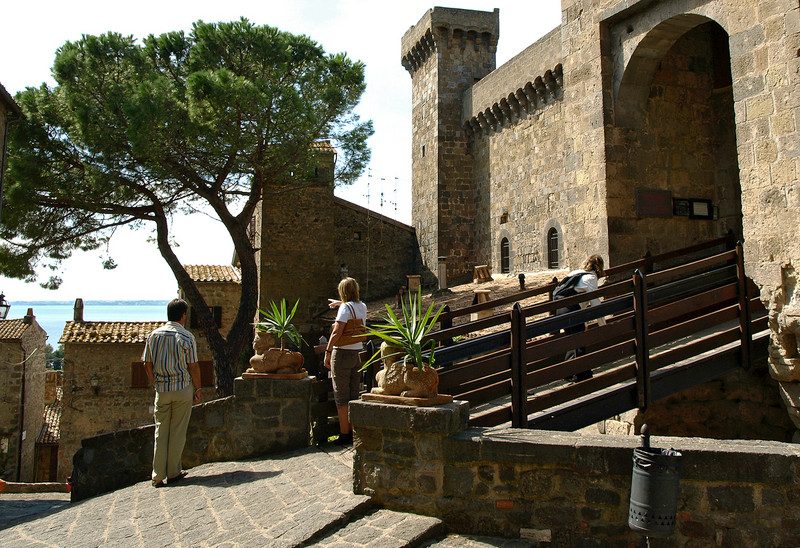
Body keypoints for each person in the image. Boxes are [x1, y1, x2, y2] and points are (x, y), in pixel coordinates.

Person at [143, 298, 202, 487]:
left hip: (162, 389)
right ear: (183, 315)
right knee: (178, 431)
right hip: (182, 388)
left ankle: (158, 476)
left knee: (161, 430)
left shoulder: (154, 336)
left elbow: (147, 363)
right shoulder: (186, 337)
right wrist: (198, 389)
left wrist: (155, 383)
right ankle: (174, 472)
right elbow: (193, 366)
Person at [323, 277, 367, 445]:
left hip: (341, 354)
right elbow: (351, 308)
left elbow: (337, 332)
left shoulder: (344, 309)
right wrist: (339, 304)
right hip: (357, 353)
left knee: (341, 395)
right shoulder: (362, 306)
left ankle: (344, 433)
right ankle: (354, 430)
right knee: (354, 393)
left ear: (342, 292)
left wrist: (327, 352)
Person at [563, 254, 606, 382]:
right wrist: (603, 325)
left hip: (560, 309)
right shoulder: (591, 277)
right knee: (579, 342)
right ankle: (582, 376)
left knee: (573, 341)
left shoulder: (576, 273)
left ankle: (568, 372)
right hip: (572, 310)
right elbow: (595, 302)